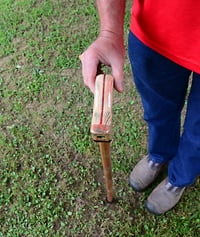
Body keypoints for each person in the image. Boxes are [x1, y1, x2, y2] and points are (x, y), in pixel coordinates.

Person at [80, 0, 200, 215]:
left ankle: (179, 178)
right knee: (158, 111)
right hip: (156, 33)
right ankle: (159, 155)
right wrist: (109, 32)